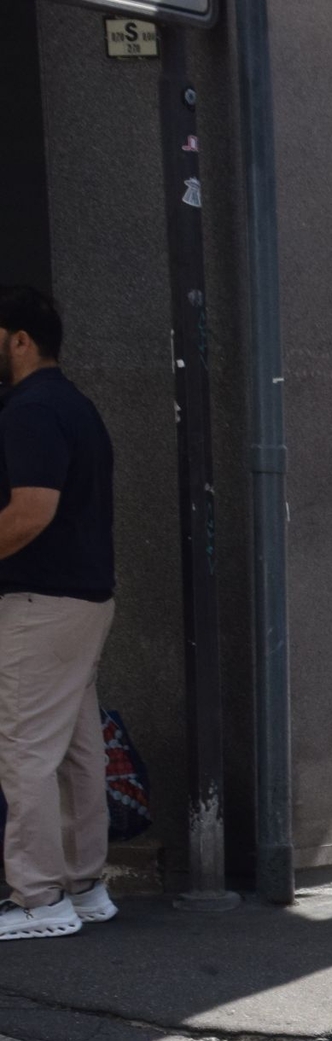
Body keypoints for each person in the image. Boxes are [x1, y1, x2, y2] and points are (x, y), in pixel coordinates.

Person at [0, 289, 119, 942]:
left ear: (19, 340)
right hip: (87, 598)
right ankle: (87, 885)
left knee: (25, 749)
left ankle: (39, 897)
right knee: (76, 750)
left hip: (41, 602)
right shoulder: (76, 406)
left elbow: (31, 511)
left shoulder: (30, 410)